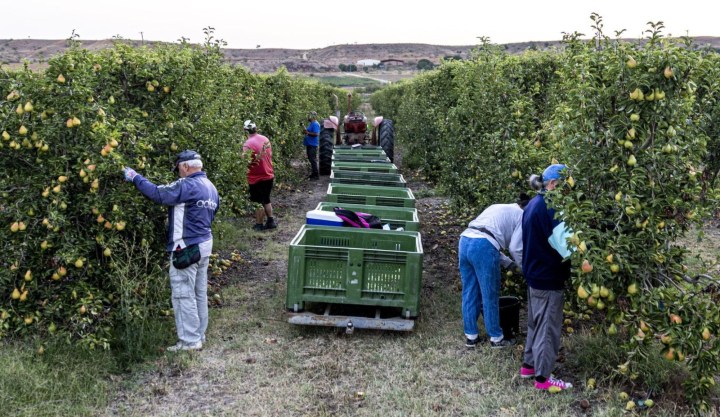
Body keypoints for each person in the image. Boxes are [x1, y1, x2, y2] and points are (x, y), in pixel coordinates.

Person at [122, 150, 220, 352]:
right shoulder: (211, 188)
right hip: (204, 244)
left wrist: (135, 177)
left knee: (183, 294)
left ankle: (190, 341)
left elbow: (159, 194)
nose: (178, 173)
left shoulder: (187, 185)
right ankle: (199, 335)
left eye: (178, 169)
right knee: (199, 293)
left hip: (187, 247)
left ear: (185, 166)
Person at [520, 163, 574, 391]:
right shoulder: (551, 209)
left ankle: (529, 366)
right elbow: (567, 248)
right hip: (549, 276)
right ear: (553, 184)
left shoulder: (533, 204)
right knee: (548, 328)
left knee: (536, 322)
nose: (568, 191)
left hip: (534, 273)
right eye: (565, 186)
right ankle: (543, 378)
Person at [459, 194, 529, 349]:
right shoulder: (523, 215)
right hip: (483, 246)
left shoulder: (499, 207)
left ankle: (471, 337)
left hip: (464, 241)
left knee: (469, 291)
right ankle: (496, 338)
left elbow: (488, 238)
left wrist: (510, 265)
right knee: (489, 294)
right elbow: (515, 248)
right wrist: (526, 269)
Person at [242, 120, 277, 231]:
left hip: (256, 177)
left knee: (258, 202)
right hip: (269, 174)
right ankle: (271, 221)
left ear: (245, 131)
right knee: (266, 199)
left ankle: (259, 224)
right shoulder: (265, 139)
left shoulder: (248, 144)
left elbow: (245, 160)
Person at [303, 111, 320, 180]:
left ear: (312, 117)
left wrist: (308, 133)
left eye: (309, 116)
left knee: (313, 160)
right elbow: (308, 132)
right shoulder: (311, 123)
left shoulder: (315, 124)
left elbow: (316, 134)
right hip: (309, 144)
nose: (308, 117)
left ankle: (316, 175)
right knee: (311, 159)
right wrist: (306, 132)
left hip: (313, 145)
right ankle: (313, 174)